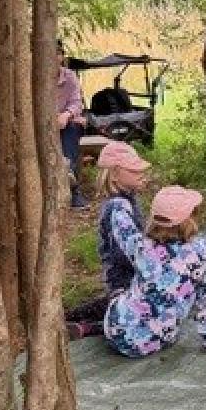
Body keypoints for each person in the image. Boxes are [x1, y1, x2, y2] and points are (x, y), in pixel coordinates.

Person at [104, 185, 206, 357]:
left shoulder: (141, 245)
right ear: (189, 219)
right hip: (153, 342)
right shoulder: (201, 251)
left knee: (124, 293)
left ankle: (93, 324)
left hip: (115, 329)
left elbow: (122, 228)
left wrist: (118, 204)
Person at [65, 142, 150, 339]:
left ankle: (82, 321)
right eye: (134, 170)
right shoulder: (118, 207)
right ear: (115, 174)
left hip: (134, 275)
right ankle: (78, 320)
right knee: (143, 312)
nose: (141, 172)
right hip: (124, 278)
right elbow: (130, 250)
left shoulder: (129, 199)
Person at [56, 39, 88, 209]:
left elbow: (77, 103)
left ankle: (74, 189)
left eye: (57, 53)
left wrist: (66, 115)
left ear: (61, 57)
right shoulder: (32, 76)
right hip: (44, 124)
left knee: (71, 130)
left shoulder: (69, 76)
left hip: (68, 123)